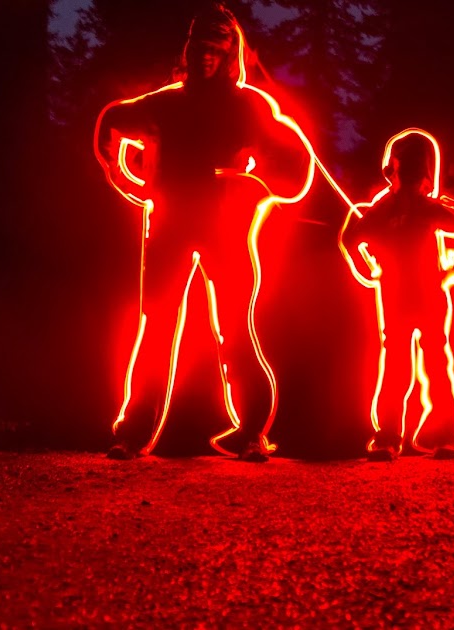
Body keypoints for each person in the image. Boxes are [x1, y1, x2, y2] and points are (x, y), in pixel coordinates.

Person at [94, 3, 314, 462]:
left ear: (230, 52)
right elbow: (113, 122)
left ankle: (252, 431)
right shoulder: (167, 103)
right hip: (171, 224)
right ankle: (134, 433)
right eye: (199, 45)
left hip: (226, 228)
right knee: (156, 330)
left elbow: (295, 165)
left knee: (235, 330)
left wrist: (258, 187)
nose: (205, 55)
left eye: (216, 47)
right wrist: (129, 180)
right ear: (188, 47)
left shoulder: (247, 106)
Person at [339, 130, 454, 461]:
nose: (407, 176)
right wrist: (368, 266)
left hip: (422, 295)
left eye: (412, 170)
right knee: (412, 364)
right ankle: (401, 437)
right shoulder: (391, 209)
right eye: (404, 169)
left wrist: (452, 269)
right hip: (402, 295)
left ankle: (430, 437)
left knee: (423, 363)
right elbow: (352, 238)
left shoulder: (417, 208)